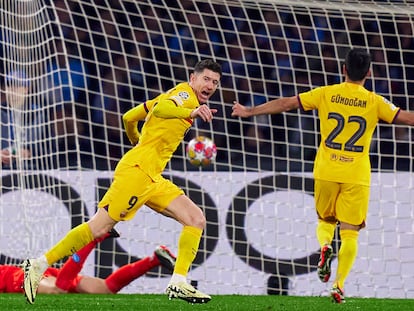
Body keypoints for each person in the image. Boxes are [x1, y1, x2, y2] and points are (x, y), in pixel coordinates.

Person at [23, 59, 222, 304]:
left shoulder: (172, 94)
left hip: (150, 176)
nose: (210, 85)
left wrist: (136, 140)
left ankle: (179, 282)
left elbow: (129, 117)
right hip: (137, 173)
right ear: (193, 78)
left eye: (215, 82)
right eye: (206, 79)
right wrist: (190, 113)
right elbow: (160, 111)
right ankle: (38, 264)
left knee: (195, 219)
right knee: (98, 227)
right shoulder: (184, 95)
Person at [231, 48, 414, 303]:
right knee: (350, 233)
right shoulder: (375, 101)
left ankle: (325, 245)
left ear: (343, 69)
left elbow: (287, 103)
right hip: (356, 174)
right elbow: (406, 118)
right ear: (369, 73)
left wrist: (250, 111)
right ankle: (338, 285)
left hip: (327, 170)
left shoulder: (326, 93)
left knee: (325, 221)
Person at [1, 229, 176, 294]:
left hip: (16, 278)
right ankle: (154, 260)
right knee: (106, 290)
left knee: (57, 290)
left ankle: (91, 239)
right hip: (23, 275)